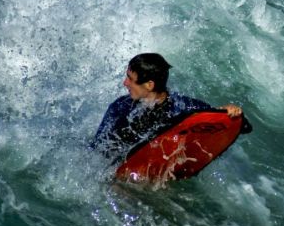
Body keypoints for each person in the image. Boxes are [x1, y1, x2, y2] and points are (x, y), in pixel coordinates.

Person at [92, 53, 243, 160]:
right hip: (121, 164)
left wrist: (227, 111)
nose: (125, 83)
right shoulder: (119, 107)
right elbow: (97, 148)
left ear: (149, 85)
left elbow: (210, 117)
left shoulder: (181, 106)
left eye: (130, 79)